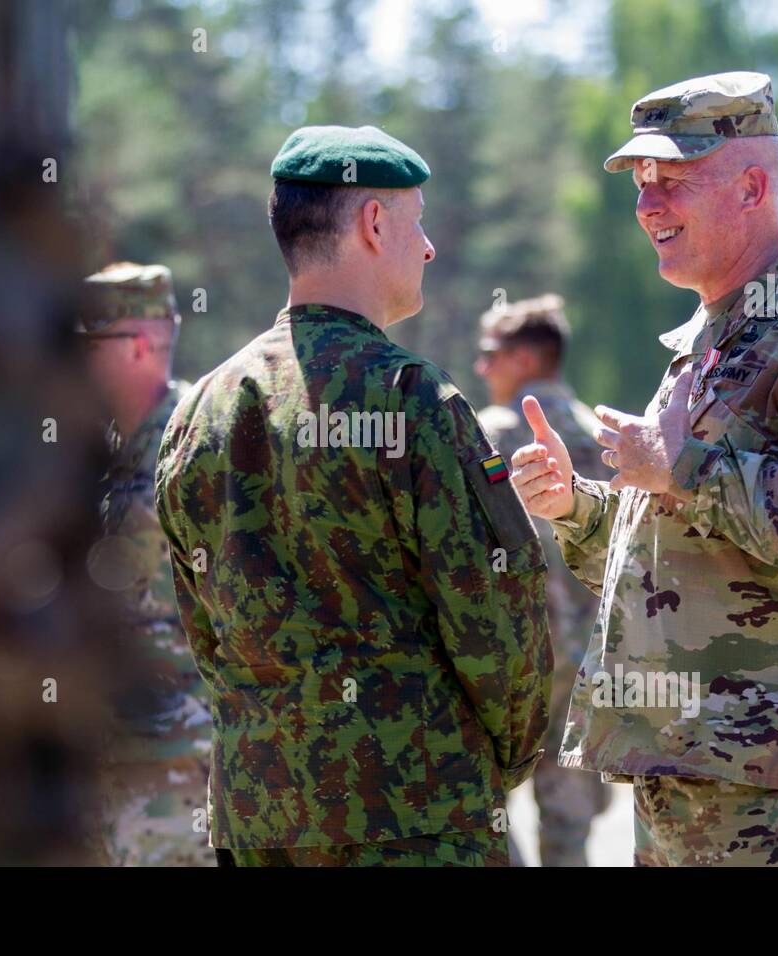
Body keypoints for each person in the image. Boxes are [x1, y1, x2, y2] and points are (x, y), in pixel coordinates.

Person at [510, 72, 778, 866]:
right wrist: (579, 511)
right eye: (641, 183)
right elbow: (687, 550)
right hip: (687, 773)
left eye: (673, 181)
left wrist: (687, 468)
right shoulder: (709, 341)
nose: (647, 206)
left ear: (753, 185)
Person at [155, 125, 552, 866]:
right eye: (417, 220)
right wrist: (497, 762)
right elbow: (496, 623)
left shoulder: (199, 411)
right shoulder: (414, 399)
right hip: (415, 818)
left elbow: (206, 633)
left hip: (258, 816)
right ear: (374, 224)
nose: (428, 246)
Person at [79, 262, 215, 866]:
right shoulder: (97, 450)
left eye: (85, 346)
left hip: (182, 774)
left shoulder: (203, 445)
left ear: (135, 345)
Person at [474, 295, 611, 866]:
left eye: (490, 353)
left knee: (479, 807)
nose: (481, 368)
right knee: (569, 824)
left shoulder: (486, 435)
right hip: (590, 663)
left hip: (507, 662)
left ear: (525, 358)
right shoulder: (608, 437)